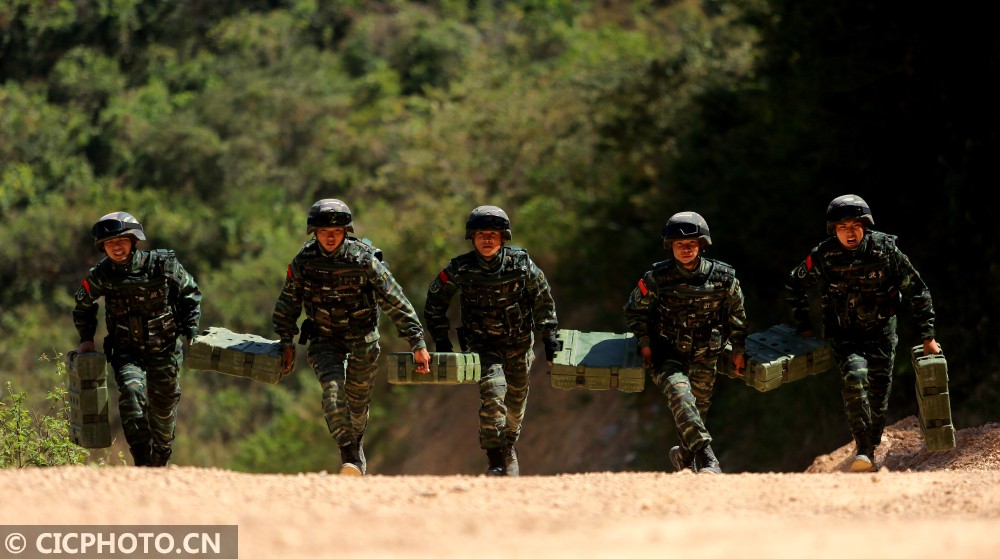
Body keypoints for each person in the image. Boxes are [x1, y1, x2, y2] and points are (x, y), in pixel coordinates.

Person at [272, 198, 431, 476]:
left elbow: (395, 300)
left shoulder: (364, 260)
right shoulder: (304, 262)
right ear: (314, 233)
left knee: (356, 404)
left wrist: (417, 342)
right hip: (324, 339)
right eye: (324, 231)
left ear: (346, 231)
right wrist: (286, 342)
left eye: (336, 231)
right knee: (334, 395)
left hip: (362, 339)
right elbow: (288, 304)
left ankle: (355, 444)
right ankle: (350, 457)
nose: (330, 237)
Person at [786, 194, 940, 472]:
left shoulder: (886, 250)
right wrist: (804, 326)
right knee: (855, 378)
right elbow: (795, 284)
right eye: (842, 226)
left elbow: (918, 289)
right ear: (834, 230)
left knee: (879, 397)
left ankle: (870, 444)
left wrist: (928, 336)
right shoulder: (824, 255)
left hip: (881, 332)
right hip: (844, 335)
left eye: (854, 225)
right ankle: (864, 450)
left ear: (865, 226)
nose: (849, 232)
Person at [424, 205, 559, 476]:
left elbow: (543, 301)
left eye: (493, 234)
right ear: (472, 238)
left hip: (519, 345)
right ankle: (496, 460)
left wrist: (551, 340)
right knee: (493, 395)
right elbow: (435, 302)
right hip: (482, 347)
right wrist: (441, 340)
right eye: (481, 234)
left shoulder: (521, 265)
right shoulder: (459, 269)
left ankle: (508, 444)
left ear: (503, 237)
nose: (487, 239)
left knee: (515, 407)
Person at [73, 212, 202, 467]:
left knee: (163, 410)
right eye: (109, 244)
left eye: (121, 241)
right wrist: (86, 339)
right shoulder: (101, 274)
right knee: (132, 395)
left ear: (134, 240)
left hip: (164, 350)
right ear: (103, 248)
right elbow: (83, 305)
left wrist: (191, 333)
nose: (116, 247)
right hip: (127, 352)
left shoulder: (162, 264)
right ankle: (142, 462)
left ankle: (161, 457)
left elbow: (190, 294)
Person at [624, 211, 747, 474]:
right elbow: (634, 310)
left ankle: (684, 458)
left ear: (702, 244)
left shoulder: (724, 278)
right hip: (666, 353)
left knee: (695, 411)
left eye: (691, 243)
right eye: (680, 244)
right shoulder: (657, 278)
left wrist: (738, 348)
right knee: (681, 397)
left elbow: (737, 314)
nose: (686, 249)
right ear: (671, 247)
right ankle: (709, 459)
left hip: (706, 354)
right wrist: (645, 342)